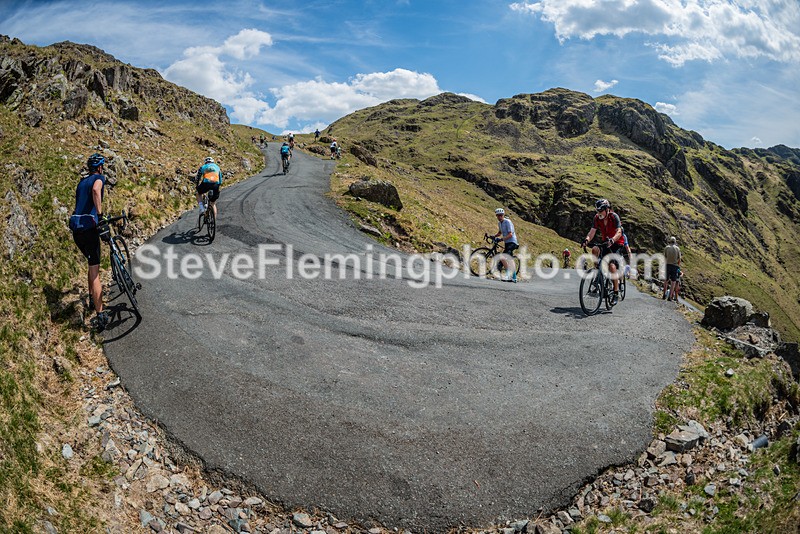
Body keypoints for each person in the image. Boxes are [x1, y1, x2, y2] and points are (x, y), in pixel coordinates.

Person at [69, 153, 109, 330]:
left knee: (90, 263)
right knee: (95, 270)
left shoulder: (80, 182)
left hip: (76, 230)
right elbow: (96, 190)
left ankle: (92, 298)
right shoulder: (98, 177)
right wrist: (100, 215)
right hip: (88, 228)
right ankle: (100, 314)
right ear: (100, 167)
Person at [581, 199, 626, 305]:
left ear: (607, 209)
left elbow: (619, 232)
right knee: (595, 249)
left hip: (617, 243)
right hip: (606, 242)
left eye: (601, 210)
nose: (599, 213)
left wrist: (613, 240)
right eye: (597, 210)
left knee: (611, 266)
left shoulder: (614, 217)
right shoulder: (597, 218)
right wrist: (587, 240)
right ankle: (598, 272)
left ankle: (615, 293)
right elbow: (592, 232)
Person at [493, 208, 519, 282]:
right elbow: (500, 233)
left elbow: (510, 234)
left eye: (501, 215)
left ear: (503, 215)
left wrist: (501, 239)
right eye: (498, 215)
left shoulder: (507, 222)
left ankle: (510, 276)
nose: (499, 217)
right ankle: (512, 276)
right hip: (507, 243)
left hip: (512, 242)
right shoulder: (499, 223)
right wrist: (494, 236)